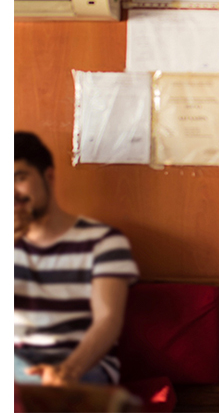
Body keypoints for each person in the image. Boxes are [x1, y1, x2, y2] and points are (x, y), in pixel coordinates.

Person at [14, 131, 140, 386]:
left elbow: (108, 320)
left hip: (82, 363)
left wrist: (68, 370)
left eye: (19, 177)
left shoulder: (104, 241)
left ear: (48, 177)